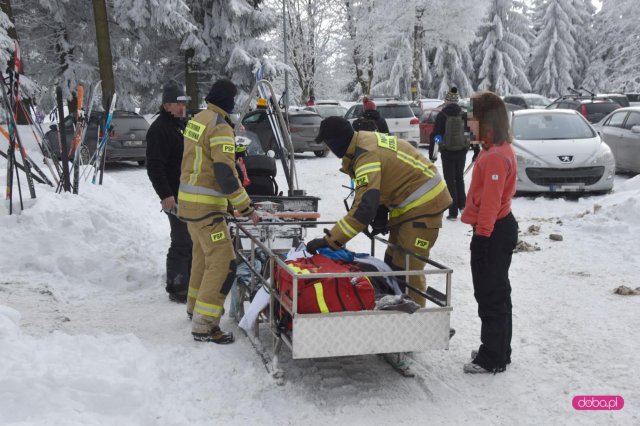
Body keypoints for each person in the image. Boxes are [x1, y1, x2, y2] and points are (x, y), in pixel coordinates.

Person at [307, 116, 452, 307]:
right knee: (391, 262)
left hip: (425, 205)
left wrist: (331, 240)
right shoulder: (364, 141)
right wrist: (382, 208)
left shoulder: (365, 155)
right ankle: (397, 312)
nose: (330, 151)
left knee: (407, 269)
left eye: (328, 145)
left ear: (336, 143)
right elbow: (387, 176)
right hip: (409, 205)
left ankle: (418, 322)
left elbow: (363, 210)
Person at [177, 78, 259, 344]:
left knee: (202, 256)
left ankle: (194, 307)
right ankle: (205, 325)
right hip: (207, 207)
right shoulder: (221, 127)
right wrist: (245, 208)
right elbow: (225, 172)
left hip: (189, 204)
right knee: (224, 263)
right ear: (228, 100)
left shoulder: (198, 119)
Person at [461, 91, 518, 374]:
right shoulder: (492, 150)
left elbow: (491, 204)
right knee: (497, 292)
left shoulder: (496, 156)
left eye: (473, 116)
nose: (469, 122)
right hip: (496, 229)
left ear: (486, 120)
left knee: (490, 294)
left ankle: (492, 357)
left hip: (493, 231)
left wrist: (482, 238)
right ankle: (499, 349)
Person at [146, 80, 192, 303]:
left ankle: (190, 280)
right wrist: (166, 195)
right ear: (166, 106)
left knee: (192, 238)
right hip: (173, 194)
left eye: (184, 103)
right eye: (177, 103)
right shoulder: (159, 130)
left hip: (190, 193)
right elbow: (154, 166)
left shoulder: (184, 125)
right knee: (182, 240)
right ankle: (177, 286)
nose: (182, 107)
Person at [430, 86, 470, 221]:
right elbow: (470, 133)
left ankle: (453, 212)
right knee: (460, 178)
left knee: (450, 181)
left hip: (447, 152)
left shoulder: (442, 115)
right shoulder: (464, 114)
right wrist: (475, 150)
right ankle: (463, 206)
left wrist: (433, 155)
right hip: (461, 151)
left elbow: (436, 136)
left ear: (447, 101)